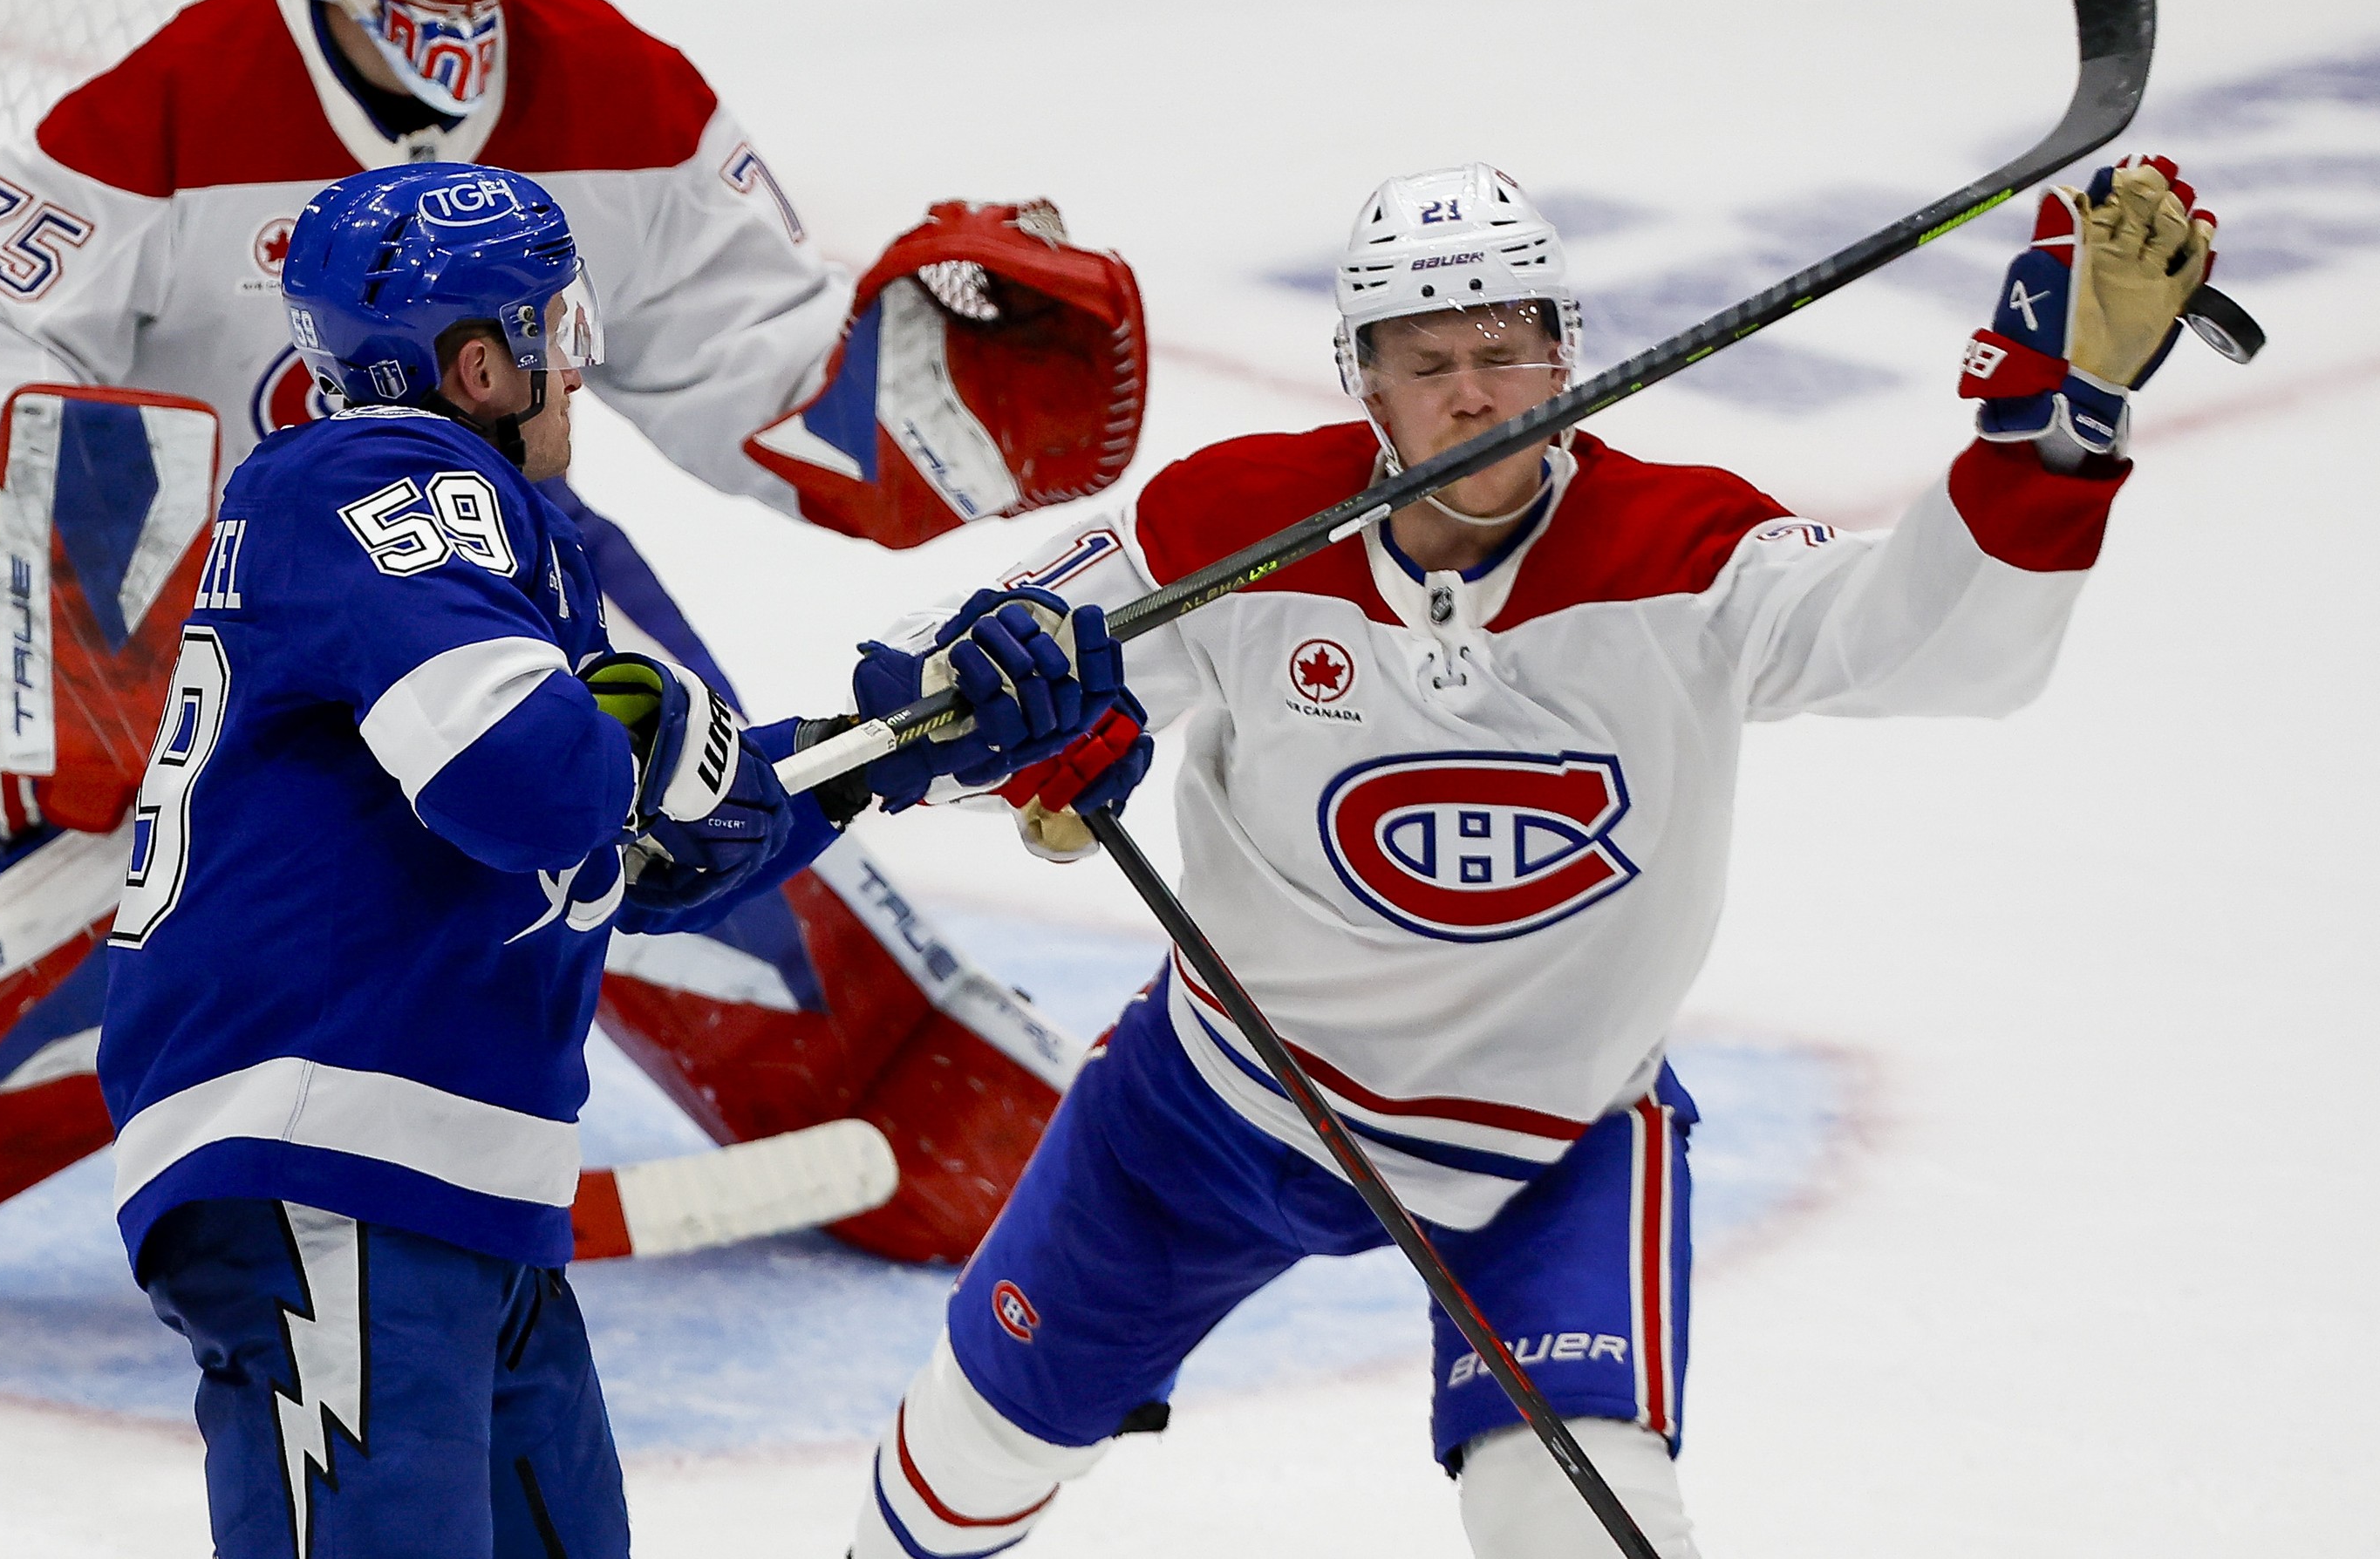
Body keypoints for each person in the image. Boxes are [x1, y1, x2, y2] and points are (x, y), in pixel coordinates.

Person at [0, 0, 1146, 1364]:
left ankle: (895, 1066)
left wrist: (920, 401)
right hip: (234, 615)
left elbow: (766, 381)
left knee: (679, 766)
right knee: (157, 912)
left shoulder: (623, 92)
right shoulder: (169, 106)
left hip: (503, 572)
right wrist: (84, 574)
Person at [847, 157, 2219, 1558]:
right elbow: (955, 699)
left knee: (1566, 1515)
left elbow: (1939, 647)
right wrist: (985, 700)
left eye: (1507, 350)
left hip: (1549, 1138)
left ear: (1566, 352)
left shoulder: (1685, 553)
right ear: (1361, 379)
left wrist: (2059, 431)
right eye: (1427, 358)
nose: (1473, 391)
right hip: (1218, 1104)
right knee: (978, 1446)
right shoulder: (1230, 524)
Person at [109, 160, 1125, 1559]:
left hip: (456, 1189)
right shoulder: (376, 481)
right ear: (477, 365)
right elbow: (527, 783)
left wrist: (899, 741)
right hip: (329, 1161)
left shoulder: (478, 550)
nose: (576, 372)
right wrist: (649, 745)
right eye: (555, 330)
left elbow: (647, 855)